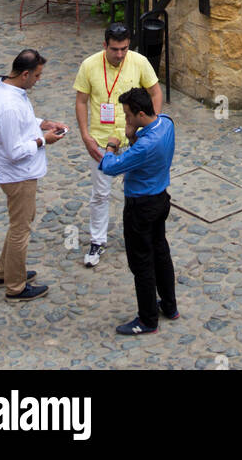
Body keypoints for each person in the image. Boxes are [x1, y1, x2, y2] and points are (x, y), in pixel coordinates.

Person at [74, 21, 162, 268]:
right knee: (101, 193)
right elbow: (81, 101)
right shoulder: (89, 65)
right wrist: (85, 135)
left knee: (136, 193)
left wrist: (151, 127)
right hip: (101, 142)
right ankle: (97, 240)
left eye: (124, 48)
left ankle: (137, 237)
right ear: (105, 45)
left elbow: (155, 92)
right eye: (115, 49)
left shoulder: (139, 62)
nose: (120, 54)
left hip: (134, 141)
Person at [90, 87, 177, 336]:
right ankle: (170, 306)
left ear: (140, 113)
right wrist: (132, 134)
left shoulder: (145, 147)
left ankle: (147, 319)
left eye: (128, 115)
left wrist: (111, 145)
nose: (126, 120)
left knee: (141, 262)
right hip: (161, 198)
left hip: (141, 207)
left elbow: (110, 167)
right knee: (161, 252)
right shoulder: (167, 124)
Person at [0, 49, 68, 300]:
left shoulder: (5, 90)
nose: (38, 80)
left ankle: (5, 272)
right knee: (21, 230)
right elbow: (14, 151)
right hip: (18, 175)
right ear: (24, 74)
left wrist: (43, 123)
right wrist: (44, 140)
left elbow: (24, 121)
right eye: (37, 75)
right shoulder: (9, 105)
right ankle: (16, 287)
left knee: (18, 225)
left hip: (21, 174)